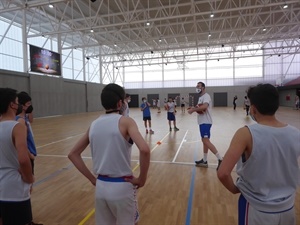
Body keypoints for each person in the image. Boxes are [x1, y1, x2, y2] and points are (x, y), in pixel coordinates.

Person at [217, 83, 300, 225]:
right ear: (277, 105)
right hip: (288, 209)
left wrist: (235, 189)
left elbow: (223, 173)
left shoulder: (246, 133)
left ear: (253, 109)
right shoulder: (295, 133)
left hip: (257, 209)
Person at [68, 83, 150, 225]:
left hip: (101, 186)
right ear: (120, 103)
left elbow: (73, 154)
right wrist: (142, 179)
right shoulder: (126, 122)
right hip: (122, 186)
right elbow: (144, 149)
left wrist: (93, 180)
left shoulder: (94, 124)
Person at [0, 87, 34, 225]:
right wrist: (29, 178)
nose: (19, 104)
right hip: (14, 190)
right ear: (12, 105)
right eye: (17, 101)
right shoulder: (17, 127)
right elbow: (23, 159)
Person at [188, 82, 223, 170]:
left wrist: (193, 110)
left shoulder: (206, 96)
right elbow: (199, 108)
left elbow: (204, 107)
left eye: (199, 86)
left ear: (203, 87)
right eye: (196, 86)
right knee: (205, 141)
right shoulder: (200, 98)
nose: (197, 87)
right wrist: (193, 108)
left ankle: (221, 159)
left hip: (206, 122)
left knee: (205, 140)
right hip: (202, 122)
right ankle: (204, 160)